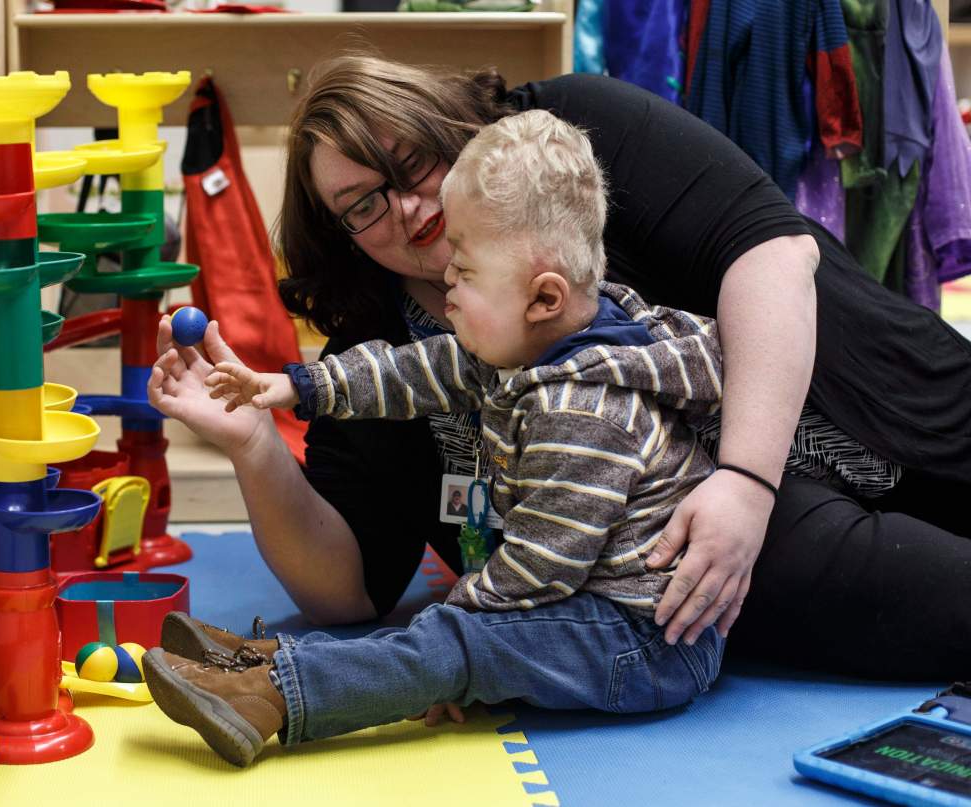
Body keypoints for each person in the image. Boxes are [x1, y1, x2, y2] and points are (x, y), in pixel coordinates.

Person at [148, 55, 971, 681]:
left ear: (453, 130)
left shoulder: (565, 142)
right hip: (706, 537)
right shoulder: (381, 349)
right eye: (363, 204)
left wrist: (745, 483)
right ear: (341, 234)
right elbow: (350, 591)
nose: (406, 207)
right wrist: (254, 443)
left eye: (413, 163)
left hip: (876, 403)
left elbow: (771, 253)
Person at [143, 111, 725, 768]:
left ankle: (273, 690)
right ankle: (264, 660)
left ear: (543, 297)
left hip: (643, 645)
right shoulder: (534, 344)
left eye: (465, 274)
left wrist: (456, 650)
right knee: (451, 640)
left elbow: (541, 568)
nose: (445, 284)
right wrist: (291, 388)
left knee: (452, 638)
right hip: (583, 609)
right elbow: (414, 367)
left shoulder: (585, 407)